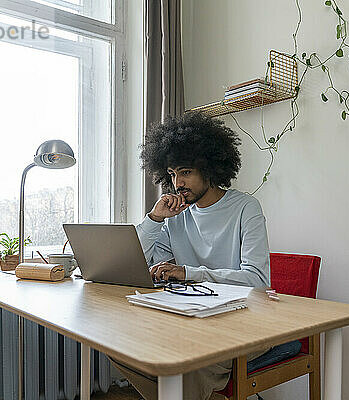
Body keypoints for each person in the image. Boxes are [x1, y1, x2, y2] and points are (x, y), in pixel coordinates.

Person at [112, 112, 272, 400]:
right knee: (120, 348)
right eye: (172, 174)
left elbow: (257, 280)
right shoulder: (175, 217)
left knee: (188, 365)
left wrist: (188, 272)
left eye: (185, 172)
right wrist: (155, 218)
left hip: (244, 323)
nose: (177, 182)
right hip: (192, 319)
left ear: (208, 168)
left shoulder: (246, 207)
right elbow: (140, 263)